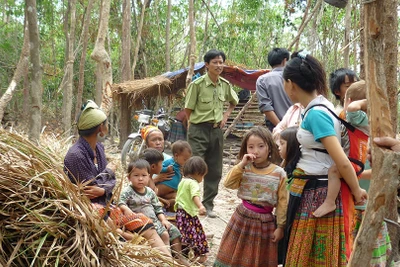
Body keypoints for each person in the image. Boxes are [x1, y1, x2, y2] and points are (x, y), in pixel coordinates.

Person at [282, 51, 367, 265]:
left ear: (290, 83)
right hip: (314, 187)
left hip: (317, 192)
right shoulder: (316, 108)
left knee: (312, 258)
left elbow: (341, 161)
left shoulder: (317, 114)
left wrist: (357, 191)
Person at [64, 100, 169, 254]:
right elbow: (88, 189)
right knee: (112, 228)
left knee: (144, 222)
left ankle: (169, 261)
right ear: (101, 128)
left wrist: (104, 184)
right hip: (88, 209)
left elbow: (107, 184)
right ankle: (127, 243)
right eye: (106, 124)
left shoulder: (98, 148)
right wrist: (109, 172)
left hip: (106, 204)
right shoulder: (76, 155)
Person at [214, 126, 287, 267]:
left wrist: (280, 227)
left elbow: (283, 203)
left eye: (261, 146)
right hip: (241, 217)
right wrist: (241, 164)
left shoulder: (279, 173)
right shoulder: (245, 168)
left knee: (257, 257)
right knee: (234, 253)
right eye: (251, 147)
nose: (256, 151)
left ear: (269, 148)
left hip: (264, 222)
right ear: (246, 149)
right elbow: (228, 183)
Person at [185, 49, 239, 218]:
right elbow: (188, 110)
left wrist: (225, 117)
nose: (219, 65)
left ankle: (208, 205)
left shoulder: (225, 85)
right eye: (215, 62)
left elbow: (233, 102)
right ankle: (188, 204)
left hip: (216, 131)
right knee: (194, 166)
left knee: (214, 169)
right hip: (198, 129)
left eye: (221, 62)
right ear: (207, 65)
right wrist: (193, 127)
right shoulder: (197, 85)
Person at [314, 80, 369, 217]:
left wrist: (363, 103)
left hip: (355, 161)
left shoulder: (362, 118)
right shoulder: (351, 118)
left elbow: (351, 110)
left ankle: (330, 201)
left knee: (334, 170)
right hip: (351, 160)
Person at [118, 159, 188, 264]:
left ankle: (176, 256)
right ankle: (166, 260)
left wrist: (163, 220)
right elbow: (120, 202)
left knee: (170, 232)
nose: (140, 179)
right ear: (129, 177)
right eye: (136, 176)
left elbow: (158, 208)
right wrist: (126, 209)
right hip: (140, 223)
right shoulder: (128, 191)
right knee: (162, 235)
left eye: (144, 175)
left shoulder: (150, 192)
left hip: (154, 220)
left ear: (149, 176)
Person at [175, 156, 209, 264]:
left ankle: (185, 254)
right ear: (198, 173)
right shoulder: (193, 183)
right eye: (203, 176)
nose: (202, 179)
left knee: (184, 233)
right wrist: (200, 206)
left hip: (180, 213)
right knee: (197, 234)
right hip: (189, 214)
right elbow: (195, 196)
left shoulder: (182, 181)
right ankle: (199, 254)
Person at [256, 47, 292, 131]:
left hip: (275, 127)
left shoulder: (262, 80)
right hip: (296, 125)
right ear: (285, 61)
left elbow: (266, 107)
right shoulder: (295, 77)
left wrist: (280, 127)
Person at [157, 141, 192, 210]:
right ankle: (158, 202)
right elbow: (158, 169)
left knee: (178, 198)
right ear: (176, 156)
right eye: (185, 159)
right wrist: (166, 169)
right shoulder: (170, 162)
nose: (186, 162)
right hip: (163, 187)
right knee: (155, 194)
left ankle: (165, 204)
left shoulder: (182, 166)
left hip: (172, 191)